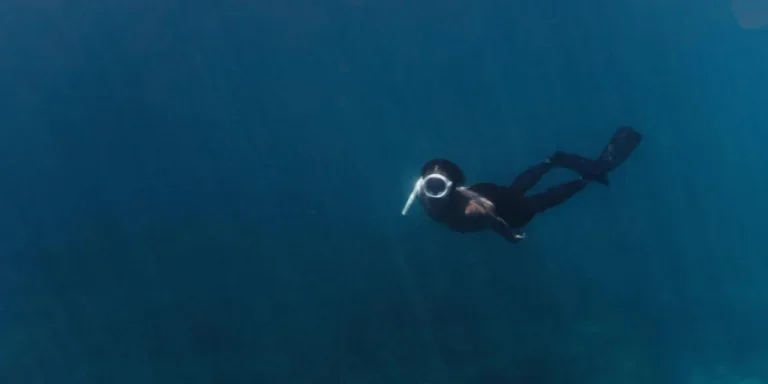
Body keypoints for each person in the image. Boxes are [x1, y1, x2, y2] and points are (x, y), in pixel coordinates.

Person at [401, 126, 643, 243]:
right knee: (514, 191)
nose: (433, 193)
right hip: (486, 191)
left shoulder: (471, 211)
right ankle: (551, 162)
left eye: (438, 186)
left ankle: (583, 180)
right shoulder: (422, 193)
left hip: (501, 210)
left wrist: (510, 236)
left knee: (539, 202)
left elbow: (494, 221)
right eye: (431, 186)